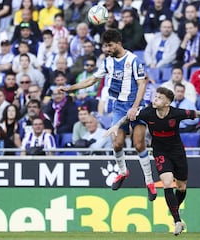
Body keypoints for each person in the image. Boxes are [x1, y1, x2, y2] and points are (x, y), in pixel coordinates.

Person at [105, 87, 200, 235]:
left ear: (167, 103)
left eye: (159, 98)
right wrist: (116, 126)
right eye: (155, 96)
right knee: (167, 182)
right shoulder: (147, 112)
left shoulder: (177, 113)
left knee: (181, 187)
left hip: (177, 152)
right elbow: (129, 116)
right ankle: (177, 221)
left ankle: (175, 208)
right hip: (160, 152)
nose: (155, 99)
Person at [57, 29, 157, 201]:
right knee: (117, 144)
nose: (107, 49)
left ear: (118, 43)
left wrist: (134, 107)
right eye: (105, 46)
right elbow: (92, 80)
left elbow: (142, 84)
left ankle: (149, 182)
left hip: (137, 107)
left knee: (139, 144)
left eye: (109, 45)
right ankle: (123, 172)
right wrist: (70, 88)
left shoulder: (133, 60)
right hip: (119, 107)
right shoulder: (107, 62)